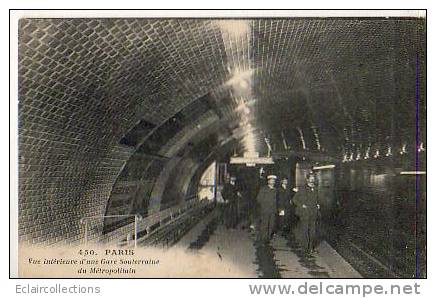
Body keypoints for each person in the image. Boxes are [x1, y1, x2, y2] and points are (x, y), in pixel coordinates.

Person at [292, 171, 321, 254]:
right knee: (305, 231)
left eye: (313, 179)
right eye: (310, 179)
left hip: (313, 213)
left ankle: (310, 247)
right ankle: (305, 248)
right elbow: (294, 200)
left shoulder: (315, 189)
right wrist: (302, 205)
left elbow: (317, 199)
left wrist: (318, 204)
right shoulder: (302, 189)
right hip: (305, 213)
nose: (312, 181)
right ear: (307, 180)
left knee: (313, 232)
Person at [254, 175, 278, 242]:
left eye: (274, 180)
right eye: (271, 180)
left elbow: (277, 200)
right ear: (268, 181)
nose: (272, 182)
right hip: (265, 209)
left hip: (273, 210)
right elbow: (259, 199)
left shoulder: (275, 190)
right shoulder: (263, 189)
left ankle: (268, 237)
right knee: (265, 224)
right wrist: (265, 204)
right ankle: (263, 239)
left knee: (271, 224)